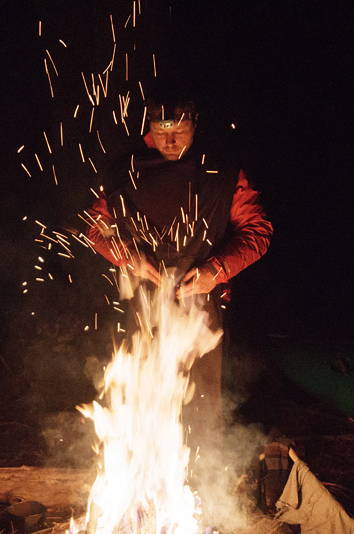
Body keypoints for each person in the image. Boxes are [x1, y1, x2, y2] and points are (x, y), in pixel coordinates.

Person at [84, 88, 272, 488]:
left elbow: (258, 231)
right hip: (144, 305)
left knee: (202, 404)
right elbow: (95, 228)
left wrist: (216, 270)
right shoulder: (127, 170)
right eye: (161, 129)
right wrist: (128, 257)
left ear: (194, 122)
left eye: (179, 129)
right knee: (141, 397)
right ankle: (141, 487)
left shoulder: (221, 171)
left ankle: (202, 496)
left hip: (201, 307)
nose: (170, 140)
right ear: (150, 125)